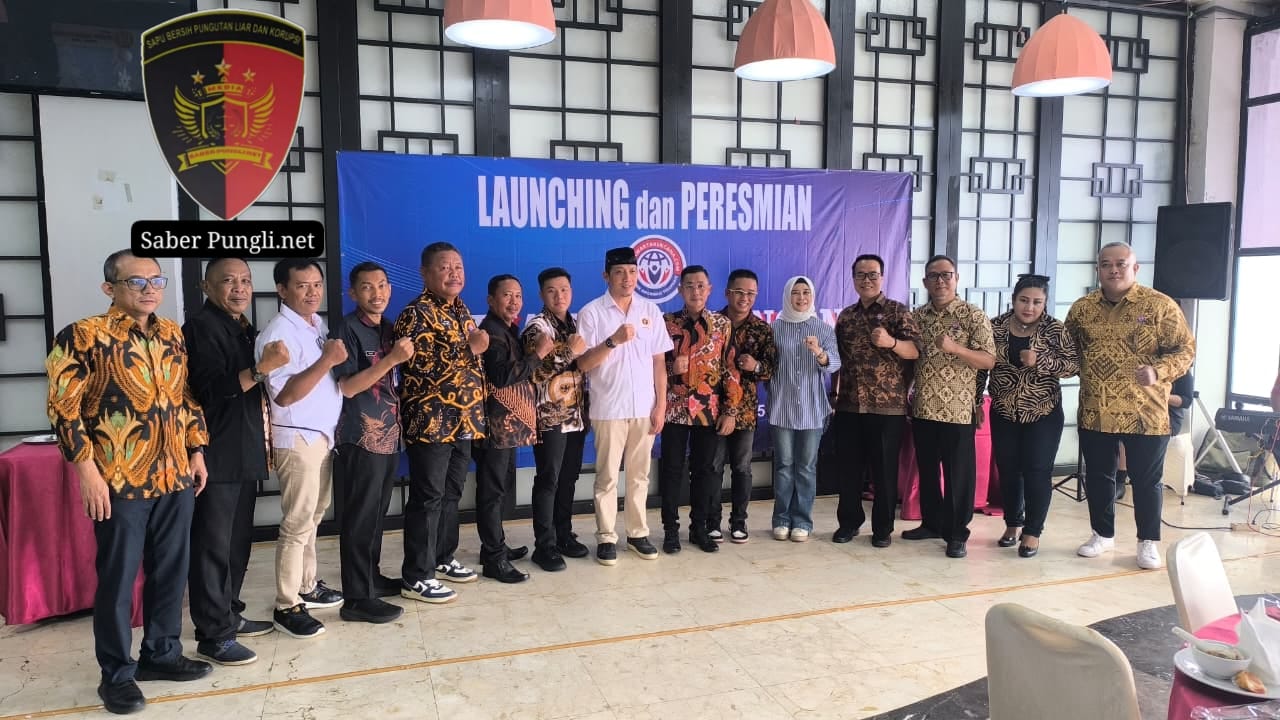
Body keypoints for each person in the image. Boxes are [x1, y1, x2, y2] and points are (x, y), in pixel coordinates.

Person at [46, 249, 212, 715]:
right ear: (110, 288)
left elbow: (184, 397)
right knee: (118, 580)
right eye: (136, 281)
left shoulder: (171, 333)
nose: (149, 289)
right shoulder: (82, 335)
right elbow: (63, 409)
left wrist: (196, 450)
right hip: (118, 480)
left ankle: (162, 654)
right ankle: (116, 675)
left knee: (171, 571)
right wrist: (87, 473)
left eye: (156, 280)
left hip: (174, 475)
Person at [1066, 241, 1195, 570]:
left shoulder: (1160, 306)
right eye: (1106, 264)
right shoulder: (1082, 309)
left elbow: (1185, 350)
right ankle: (1102, 534)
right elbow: (1068, 354)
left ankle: (1147, 542)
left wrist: (1159, 371)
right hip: (1096, 409)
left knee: (1146, 482)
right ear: (1098, 269)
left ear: (1135, 268)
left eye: (1120, 263)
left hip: (1145, 412)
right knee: (1099, 477)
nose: (1113, 270)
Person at [183, 258, 286, 665]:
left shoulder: (242, 328)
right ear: (206, 287)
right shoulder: (200, 328)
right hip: (216, 453)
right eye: (228, 281)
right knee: (212, 545)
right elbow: (209, 391)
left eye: (245, 280)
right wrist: (261, 369)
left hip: (245, 449)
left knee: (237, 542)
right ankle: (213, 635)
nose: (239, 288)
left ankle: (229, 613)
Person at [257, 258, 347, 638]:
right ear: (282, 290)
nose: (312, 292)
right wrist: (327, 360)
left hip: (321, 435)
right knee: (296, 523)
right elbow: (286, 395)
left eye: (316, 285)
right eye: (302, 285)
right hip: (297, 438)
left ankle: (307, 585)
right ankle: (286, 604)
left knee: (313, 516)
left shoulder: (314, 325)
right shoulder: (278, 334)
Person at [395, 242, 487, 603]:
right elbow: (417, 366)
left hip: (463, 420)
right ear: (425, 273)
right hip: (432, 421)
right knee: (427, 498)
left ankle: (443, 557)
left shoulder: (461, 309)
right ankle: (417, 576)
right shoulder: (415, 313)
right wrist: (469, 349)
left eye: (458, 267)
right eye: (445, 267)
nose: (454, 274)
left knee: (451, 494)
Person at [575, 246, 673, 565]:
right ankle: (606, 536)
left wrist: (661, 405)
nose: (627, 278)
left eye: (632, 272)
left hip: (644, 407)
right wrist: (613, 341)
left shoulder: (650, 310)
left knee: (639, 475)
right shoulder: (592, 313)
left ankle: (637, 533)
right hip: (608, 408)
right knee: (607, 477)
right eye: (619, 272)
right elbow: (583, 364)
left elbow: (659, 362)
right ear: (606, 275)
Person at [330, 261, 412, 624]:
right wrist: (392, 359)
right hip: (360, 437)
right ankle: (356, 599)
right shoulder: (346, 329)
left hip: (390, 436)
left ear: (390, 290)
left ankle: (371, 579)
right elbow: (348, 387)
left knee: (376, 515)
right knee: (360, 518)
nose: (376, 293)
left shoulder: (390, 329)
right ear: (353, 292)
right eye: (366, 287)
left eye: (381, 286)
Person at [905, 255, 996, 559]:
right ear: (925, 282)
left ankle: (957, 534)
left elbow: (989, 360)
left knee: (958, 476)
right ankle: (932, 523)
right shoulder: (917, 317)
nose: (940, 281)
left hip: (957, 410)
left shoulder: (972, 315)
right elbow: (910, 358)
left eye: (946, 274)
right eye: (934, 276)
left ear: (956, 278)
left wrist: (956, 348)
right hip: (923, 408)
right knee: (928, 471)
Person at [983, 274, 1078, 559]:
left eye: (1037, 302)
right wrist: (976, 401)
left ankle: (1033, 532)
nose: (1030, 307)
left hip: (1043, 412)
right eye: (1024, 300)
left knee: (1037, 471)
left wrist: (1042, 361)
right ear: (1013, 300)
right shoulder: (996, 326)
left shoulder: (1055, 329)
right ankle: (1013, 524)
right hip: (1003, 410)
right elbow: (981, 366)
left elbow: (1073, 365)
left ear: (1045, 303)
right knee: (1008, 471)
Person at [831, 254, 920, 548]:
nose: (866, 280)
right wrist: (834, 394)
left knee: (884, 473)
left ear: (882, 277)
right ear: (853, 278)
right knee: (849, 471)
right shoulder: (846, 316)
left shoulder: (897, 311)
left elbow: (915, 351)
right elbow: (837, 360)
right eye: (860, 275)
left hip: (887, 408)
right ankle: (849, 523)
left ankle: (882, 529)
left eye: (872, 274)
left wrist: (891, 342)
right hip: (849, 405)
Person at [473, 274, 556, 583]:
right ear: (491, 300)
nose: (514, 301)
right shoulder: (492, 332)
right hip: (495, 427)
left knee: (498, 489)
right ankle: (494, 559)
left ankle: (494, 548)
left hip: (507, 428)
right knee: (492, 492)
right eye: (507, 295)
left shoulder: (507, 329)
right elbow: (503, 377)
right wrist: (538, 356)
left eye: (518, 296)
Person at [659, 265, 742, 555]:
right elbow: (652, 366)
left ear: (709, 290)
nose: (695, 291)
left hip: (708, 410)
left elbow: (731, 369)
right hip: (673, 409)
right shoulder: (667, 323)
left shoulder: (722, 325)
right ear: (680, 290)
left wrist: (731, 410)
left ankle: (699, 529)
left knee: (705, 471)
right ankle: (670, 531)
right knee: (671, 471)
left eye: (700, 286)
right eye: (689, 286)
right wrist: (672, 367)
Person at [522, 268, 590, 572]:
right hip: (550, 418)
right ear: (541, 294)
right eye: (551, 290)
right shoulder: (537, 326)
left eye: (564, 289)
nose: (559, 296)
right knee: (548, 479)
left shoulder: (575, 324)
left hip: (576, 416)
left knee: (569, 477)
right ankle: (544, 545)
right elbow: (535, 372)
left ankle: (564, 534)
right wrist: (569, 351)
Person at [767, 276, 841, 542]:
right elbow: (767, 366)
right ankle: (781, 519)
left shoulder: (822, 329)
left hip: (812, 409)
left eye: (806, 293)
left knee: (806, 467)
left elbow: (834, 364)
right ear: (788, 296)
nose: (801, 298)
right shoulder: (775, 328)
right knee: (784, 466)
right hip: (782, 408)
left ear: (812, 296)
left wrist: (819, 353)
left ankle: (802, 521)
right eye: (796, 293)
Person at [709, 269, 777, 544]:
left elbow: (771, 370)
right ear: (727, 293)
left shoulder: (762, 329)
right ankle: (712, 522)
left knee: (741, 467)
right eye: (739, 292)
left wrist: (756, 366)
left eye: (750, 293)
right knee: (713, 467)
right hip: (713, 410)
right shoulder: (712, 324)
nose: (744, 298)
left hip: (746, 411)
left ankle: (739, 522)